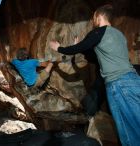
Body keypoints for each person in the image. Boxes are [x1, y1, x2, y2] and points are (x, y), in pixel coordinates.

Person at [50, 5, 140, 146]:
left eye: (93, 18)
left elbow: (78, 48)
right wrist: (81, 47)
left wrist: (59, 48)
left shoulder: (98, 32)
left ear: (98, 16)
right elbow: (95, 57)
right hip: (134, 81)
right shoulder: (119, 35)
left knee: (129, 134)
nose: (92, 21)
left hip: (119, 85)